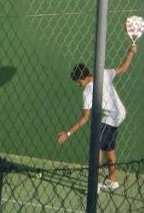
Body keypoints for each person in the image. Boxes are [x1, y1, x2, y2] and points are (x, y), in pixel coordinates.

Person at [56, 42, 137, 191]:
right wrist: (131, 52)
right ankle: (113, 182)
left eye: (78, 81)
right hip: (119, 113)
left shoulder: (87, 91)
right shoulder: (103, 74)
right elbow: (123, 68)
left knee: (97, 147)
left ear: (84, 78)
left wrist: (67, 134)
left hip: (111, 117)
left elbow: (85, 118)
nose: (78, 84)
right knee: (109, 149)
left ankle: (94, 185)